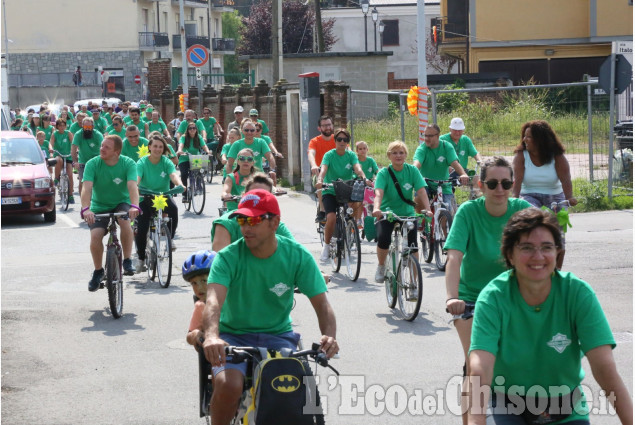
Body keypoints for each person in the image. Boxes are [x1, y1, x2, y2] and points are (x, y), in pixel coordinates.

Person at [467, 208, 632, 425]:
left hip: (564, 405)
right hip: (506, 403)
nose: (538, 257)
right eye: (526, 247)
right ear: (510, 254)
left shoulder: (577, 292)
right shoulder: (493, 298)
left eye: (547, 247)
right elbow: (481, 368)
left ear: (557, 252)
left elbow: (605, 368)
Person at [201, 189, 338, 425]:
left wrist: (329, 337)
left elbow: (322, 304)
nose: (245, 227)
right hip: (233, 336)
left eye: (254, 220)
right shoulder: (227, 257)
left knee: (295, 389)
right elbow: (213, 301)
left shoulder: (298, 256)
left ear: (275, 222)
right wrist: (212, 336)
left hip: (278, 335)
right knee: (229, 384)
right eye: (242, 220)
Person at [443, 156, 531, 425]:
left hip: (513, 296)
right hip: (472, 299)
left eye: (506, 183)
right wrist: (452, 297)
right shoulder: (469, 212)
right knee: (476, 365)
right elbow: (454, 257)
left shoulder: (522, 211)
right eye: (492, 183)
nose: (500, 189)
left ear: (513, 184)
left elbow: (543, 250)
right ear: (481, 185)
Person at [512, 120, 578, 270]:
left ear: (540, 139)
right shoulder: (521, 156)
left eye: (528, 137)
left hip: (555, 197)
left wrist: (569, 197)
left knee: (559, 237)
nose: (524, 140)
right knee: (533, 217)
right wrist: (514, 199)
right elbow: (517, 181)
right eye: (524, 136)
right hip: (529, 195)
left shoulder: (557, 156)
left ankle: (557, 272)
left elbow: (566, 179)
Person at [80, 135, 140, 290]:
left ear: (117, 152)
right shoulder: (92, 164)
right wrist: (86, 209)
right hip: (99, 206)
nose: (102, 149)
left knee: (125, 222)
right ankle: (98, 271)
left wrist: (135, 206)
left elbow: (133, 186)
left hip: (122, 203)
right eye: (101, 146)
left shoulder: (128, 163)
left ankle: (127, 260)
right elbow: (86, 188)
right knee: (95, 236)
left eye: (107, 147)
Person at [372, 140, 431, 282]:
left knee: (413, 246)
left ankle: (413, 283)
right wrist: (376, 208)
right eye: (395, 153)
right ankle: (381, 265)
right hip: (388, 213)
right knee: (384, 239)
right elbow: (378, 193)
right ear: (389, 156)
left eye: (401, 153)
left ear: (406, 155)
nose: (398, 156)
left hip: (407, 213)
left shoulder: (412, 170)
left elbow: (422, 191)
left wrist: (428, 209)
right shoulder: (384, 173)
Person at [315, 128, 368, 262]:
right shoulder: (329, 155)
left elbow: (357, 168)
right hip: (330, 190)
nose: (342, 142)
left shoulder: (351, 155)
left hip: (345, 189)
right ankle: (326, 246)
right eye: (339, 139)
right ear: (335, 141)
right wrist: (320, 180)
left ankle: (349, 231)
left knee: (351, 211)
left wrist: (363, 177)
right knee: (331, 217)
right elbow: (324, 169)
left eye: (345, 140)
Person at [135, 134, 185, 271]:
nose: (157, 149)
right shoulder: (142, 162)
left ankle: (171, 238)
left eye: (160, 147)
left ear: (164, 149)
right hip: (145, 197)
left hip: (161, 197)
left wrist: (180, 184)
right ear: (149, 147)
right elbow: (137, 178)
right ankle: (140, 258)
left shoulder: (166, 161)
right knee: (142, 227)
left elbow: (173, 175)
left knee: (173, 209)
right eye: (155, 146)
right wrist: (136, 186)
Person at [414, 124, 470, 215]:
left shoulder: (446, 147)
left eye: (430, 136)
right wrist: (412, 173)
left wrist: (463, 174)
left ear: (438, 136)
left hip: (443, 184)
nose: (426, 138)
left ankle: (443, 227)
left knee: (449, 212)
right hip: (425, 183)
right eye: (425, 135)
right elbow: (417, 164)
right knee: (419, 197)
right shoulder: (422, 149)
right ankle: (420, 222)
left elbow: (455, 163)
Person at [184, 250, 217, 348]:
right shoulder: (201, 306)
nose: (199, 288)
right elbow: (189, 336)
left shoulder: (232, 299)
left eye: (204, 280)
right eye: (194, 283)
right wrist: (195, 334)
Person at [308, 115, 336, 222]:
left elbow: (348, 152)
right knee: (320, 182)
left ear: (332, 126)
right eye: (324, 126)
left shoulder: (338, 139)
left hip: (338, 172)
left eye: (329, 125)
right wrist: (314, 165)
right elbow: (311, 153)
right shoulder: (315, 141)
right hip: (320, 173)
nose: (327, 127)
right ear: (319, 128)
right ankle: (322, 210)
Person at [176, 121, 210, 202]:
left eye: (194, 128)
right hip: (184, 158)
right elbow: (180, 145)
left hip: (195, 158)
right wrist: (180, 151)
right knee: (184, 174)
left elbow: (204, 146)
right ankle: (184, 195)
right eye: (190, 128)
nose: (192, 130)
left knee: (201, 170)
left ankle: (199, 185)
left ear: (196, 129)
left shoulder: (198, 137)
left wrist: (208, 151)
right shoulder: (183, 137)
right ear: (187, 130)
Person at [71, 117, 104, 195]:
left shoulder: (98, 135)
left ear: (93, 126)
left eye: (89, 127)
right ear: (82, 126)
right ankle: (83, 204)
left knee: (98, 183)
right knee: (82, 182)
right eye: (86, 127)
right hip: (83, 162)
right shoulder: (78, 134)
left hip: (96, 161)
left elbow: (103, 147)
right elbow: (73, 148)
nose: (88, 129)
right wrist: (75, 161)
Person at [253, 122, 285, 194]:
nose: (256, 132)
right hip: (256, 163)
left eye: (258, 130)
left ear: (261, 130)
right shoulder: (250, 140)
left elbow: (271, 146)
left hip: (266, 162)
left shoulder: (265, 139)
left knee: (272, 175)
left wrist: (276, 152)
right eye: (254, 130)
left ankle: (273, 193)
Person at [221, 148, 256, 212]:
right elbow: (225, 191)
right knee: (219, 222)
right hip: (234, 211)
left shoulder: (257, 178)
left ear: (253, 162)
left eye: (250, 159)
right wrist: (226, 195)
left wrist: (276, 190)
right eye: (242, 158)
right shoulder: (231, 177)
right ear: (238, 162)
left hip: (253, 211)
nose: (246, 161)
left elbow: (269, 187)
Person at [49, 119, 75, 203]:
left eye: (63, 125)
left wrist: (75, 151)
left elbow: (74, 143)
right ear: (57, 126)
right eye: (60, 125)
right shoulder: (55, 134)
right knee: (58, 159)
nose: (62, 127)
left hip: (68, 155)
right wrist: (51, 151)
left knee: (70, 174)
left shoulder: (68, 133)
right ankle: (56, 178)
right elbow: (51, 143)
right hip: (58, 154)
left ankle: (70, 195)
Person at [354, 140, 379, 225]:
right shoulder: (355, 161)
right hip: (359, 183)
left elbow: (376, 171)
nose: (362, 150)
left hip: (370, 184)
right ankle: (358, 220)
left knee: (375, 200)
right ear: (357, 151)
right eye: (360, 149)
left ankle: (374, 219)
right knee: (360, 200)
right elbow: (354, 173)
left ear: (367, 149)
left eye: (364, 148)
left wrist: (380, 176)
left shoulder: (370, 160)